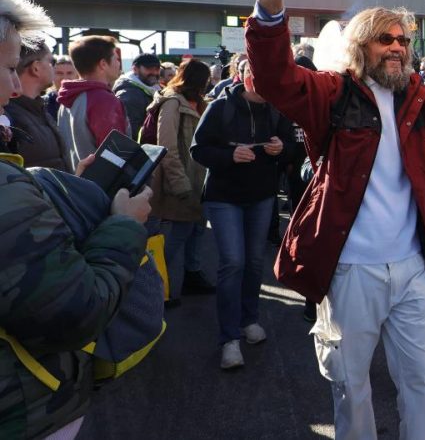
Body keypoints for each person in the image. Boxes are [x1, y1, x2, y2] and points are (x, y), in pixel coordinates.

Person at [244, 0, 425, 440]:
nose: (398, 47)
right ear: (359, 46)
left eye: (404, 40)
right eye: (385, 38)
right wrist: (271, 8)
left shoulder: (418, 97)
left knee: (422, 378)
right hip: (351, 271)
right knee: (351, 384)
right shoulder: (333, 93)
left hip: (412, 268)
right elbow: (276, 81)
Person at [0, 0, 152, 439]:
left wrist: (70, 193)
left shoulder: (64, 100)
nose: (14, 86)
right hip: (27, 408)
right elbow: (75, 312)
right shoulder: (104, 101)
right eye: (9, 68)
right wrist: (122, 227)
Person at [190, 57, 294, 369]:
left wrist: (281, 148)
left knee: (255, 262)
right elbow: (198, 149)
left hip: (261, 196)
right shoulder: (220, 107)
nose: (260, 81)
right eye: (254, 73)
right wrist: (230, 155)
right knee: (233, 262)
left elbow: (293, 147)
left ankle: (249, 319)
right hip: (224, 197)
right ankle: (229, 338)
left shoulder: (277, 110)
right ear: (241, 75)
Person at [149, 59, 212, 304]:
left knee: (195, 230)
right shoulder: (173, 102)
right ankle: (155, 286)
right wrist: (180, 183)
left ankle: (190, 277)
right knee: (177, 236)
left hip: (198, 178)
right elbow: (167, 147)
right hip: (181, 179)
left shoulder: (195, 102)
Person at [57, 35, 129, 170]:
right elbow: (116, 155)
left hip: (75, 183)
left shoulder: (66, 98)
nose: (119, 63)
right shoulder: (104, 100)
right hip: (104, 186)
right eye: (116, 58)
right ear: (103, 64)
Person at [5, 39, 72, 170]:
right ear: (36, 68)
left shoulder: (38, 110)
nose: (54, 67)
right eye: (51, 62)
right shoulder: (9, 116)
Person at [114, 52, 162, 140]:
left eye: (157, 69)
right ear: (135, 69)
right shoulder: (129, 95)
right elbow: (130, 133)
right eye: (149, 68)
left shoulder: (153, 90)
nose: (154, 72)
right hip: (140, 150)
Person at [44, 55, 77, 119]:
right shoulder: (43, 104)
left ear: (77, 75)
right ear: (52, 75)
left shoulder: (84, 101)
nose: (65, 78)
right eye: (59, 73)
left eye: (69, 73)